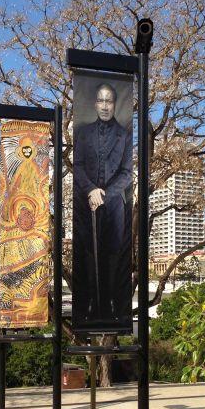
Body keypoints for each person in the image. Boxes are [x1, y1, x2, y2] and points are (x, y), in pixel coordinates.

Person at [73, 82, 133, 326]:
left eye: (110, 101)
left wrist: (104, 194)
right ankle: (90, 306)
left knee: (113, 258)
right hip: (85, 206)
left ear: (115, 104)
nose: (105, 106)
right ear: (96, 103)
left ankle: (109, 307)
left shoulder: (125, 135)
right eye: (101, 101)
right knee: (87, 254)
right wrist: (90, 190)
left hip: (114, 208)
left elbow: (127, 173)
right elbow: (77, 167)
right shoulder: (83, 133)